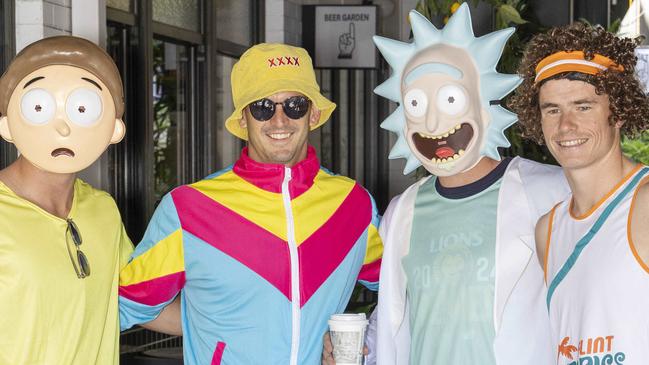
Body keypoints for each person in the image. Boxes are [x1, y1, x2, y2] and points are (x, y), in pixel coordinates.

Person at [118, 43, 383, 365]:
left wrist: (364, 335)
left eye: (295, 105)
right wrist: (210, 327)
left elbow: (407, 289)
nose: (280, 120)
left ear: (313, 113)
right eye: (262, 107)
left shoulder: (353, 206)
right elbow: (126, 305)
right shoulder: (189, 209)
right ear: (243, 119)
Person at [369, 4, 569, 364]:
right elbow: (395, 312)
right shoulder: (402, 213)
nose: (432, 120)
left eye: (449, 99)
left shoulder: (549, 192)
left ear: (484, 102)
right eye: (416, 103)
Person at [510, 23, 649, 364]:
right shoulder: (548, 229)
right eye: (552, 109)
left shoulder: (644, 205)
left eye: (583, 107)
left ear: (616, 111)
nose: (566, 125)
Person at [0, 36, 132, 364]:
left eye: (83, 109)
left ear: (114, 128)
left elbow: (130, 299)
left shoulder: (103, 209)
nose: (62, 127)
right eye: (39, 108)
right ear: (8, 124)